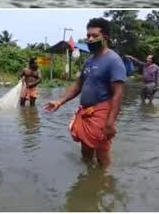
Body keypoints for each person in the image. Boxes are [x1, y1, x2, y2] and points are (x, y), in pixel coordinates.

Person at [44, 18, 126, 168]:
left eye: (95, 36)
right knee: (85, 151)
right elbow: (78, 86)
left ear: (106, 37)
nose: (90, 39)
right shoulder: (89, 61)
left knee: (102, 154)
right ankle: (88, 179)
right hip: (85, 112)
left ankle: (104, 181)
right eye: (88, 35)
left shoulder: (114, 60)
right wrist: (59, 102)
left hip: (101, 113)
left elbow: (118, 94)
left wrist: (110, 122)